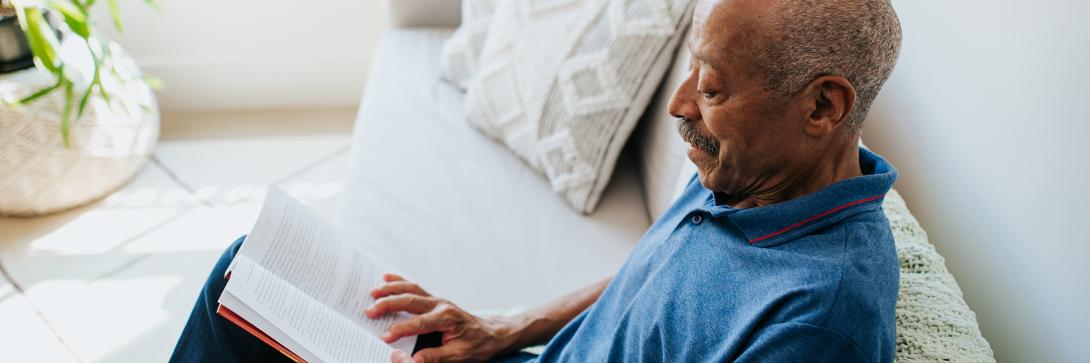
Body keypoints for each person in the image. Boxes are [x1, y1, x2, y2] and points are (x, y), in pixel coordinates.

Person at [171, 0, 903, 361]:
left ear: (823, 106)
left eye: (711, 87)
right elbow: (655, 267)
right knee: (243, 275)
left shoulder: (820, 317)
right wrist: (502, 327)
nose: (682, 106)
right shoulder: (753, 176)